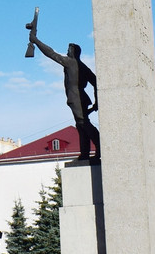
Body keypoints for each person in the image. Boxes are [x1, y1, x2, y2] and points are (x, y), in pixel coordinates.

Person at [28, 29, 101, 161]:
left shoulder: (71, 62)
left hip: (76, 98)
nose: (67, 52)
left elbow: (51, 53)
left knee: (84, 124)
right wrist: (96, 102)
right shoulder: (82, 66)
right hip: (81, 99)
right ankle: (85, 153)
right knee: (80, 125)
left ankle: (99, 147)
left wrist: (36, 41)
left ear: (73, 52)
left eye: (69, 49)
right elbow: (96, 82)